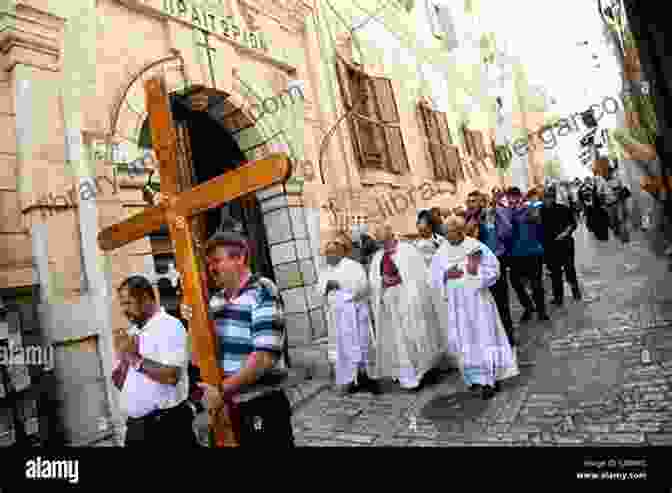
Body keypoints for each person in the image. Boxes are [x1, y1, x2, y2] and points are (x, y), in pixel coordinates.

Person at [185, 230, 294, 447]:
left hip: (260, 405)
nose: (211, 268)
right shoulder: (214, 301)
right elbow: (196, 358)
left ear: (240, 257)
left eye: (217, 260)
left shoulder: (263, 290)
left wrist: (221, 391)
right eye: (209, 263)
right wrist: (191, 322)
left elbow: (264, 357)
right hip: (225, 409)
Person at [430, 216, 519, 400]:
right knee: (466, 341)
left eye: (450, 233)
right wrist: (446, 275)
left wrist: (472, 275)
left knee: (484, 338)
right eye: (445, 234)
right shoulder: (443, 251)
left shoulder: (475, 247)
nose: (447, 237)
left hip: (478, 302)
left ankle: (490, 380)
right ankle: (474, 378)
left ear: (460, 231)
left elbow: (494, 269)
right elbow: (432, 276)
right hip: (457, 306)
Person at [112, 275, 197, 447]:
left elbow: (172, 376)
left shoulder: (169, 326)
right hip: (137, 430)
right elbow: (120, 383)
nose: (123, 310)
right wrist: (124, 358)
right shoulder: (133, 332)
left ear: (144, 298)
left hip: (165, 428)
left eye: (128, 303)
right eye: (122, 304)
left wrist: (134, 358)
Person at [368, 223, 444, 390]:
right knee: (397, 339)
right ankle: (404, 373)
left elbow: (419, 277)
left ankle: (423, 370)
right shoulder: (378, 257)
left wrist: (399, 280)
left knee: (414, 336)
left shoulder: (408, 251)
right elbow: (373, 280)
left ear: (392, 236)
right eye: (380, 242)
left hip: (408, 301)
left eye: (385, 240)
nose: (383, 245)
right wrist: (381, 281)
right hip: (389, 303)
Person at [317, 234, 379, 395]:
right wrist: (327, 286)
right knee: (343, 350)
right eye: (327, 253)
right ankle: (350, 380)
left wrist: (341, 285)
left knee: (362, 346)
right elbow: (319, 290)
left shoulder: (353, 266)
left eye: (332, 252)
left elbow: (363, 286)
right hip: (337, 319)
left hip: (355, 315)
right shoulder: (325, 270)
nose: (329, 256)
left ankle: (368, 378)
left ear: (341, 252)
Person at [479, 192, 516, 350]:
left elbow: (507, 232)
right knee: (486, 304)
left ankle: (508, 336)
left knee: (501, 301)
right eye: (472, 202)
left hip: (497, 259)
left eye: (479, 201)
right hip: (481, 265)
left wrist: (498, 216)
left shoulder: (498, 213)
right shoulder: (473, 220)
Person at [507, 187, 549, 322]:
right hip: (515, 254)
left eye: (514, 197)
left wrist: (527, 210)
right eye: (510, 198)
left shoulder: (529, 208)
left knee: (536, 283)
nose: (512, 201)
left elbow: (536, 217)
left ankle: (541, 311)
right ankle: (528, 307)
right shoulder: (506, 212)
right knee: (516, 283)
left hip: (533, 252)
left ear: (520, 197)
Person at [542, 185, 581, 306]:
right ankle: (558, 298)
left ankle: (576, 291)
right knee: (555, 273)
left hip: (565, 244)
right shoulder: (541, 211)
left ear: (553, 198)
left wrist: (564, 233)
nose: (547, 200)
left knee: (569, 269)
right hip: (550, 246)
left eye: (549, 197)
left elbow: (573, 224)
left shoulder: (563, 208)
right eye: (545, 198)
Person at [595, 163, 631, 244]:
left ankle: (625, 238)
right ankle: (617, 232)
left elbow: (623, 189)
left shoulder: (617, 179)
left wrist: (619, 192)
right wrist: (603, 202)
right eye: (606, 172)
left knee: (621, 220)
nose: (608, 173)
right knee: (613, 221)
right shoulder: (601, 182)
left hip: (619, 202)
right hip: (609, 204)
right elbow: (599, 194)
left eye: (609, 172)